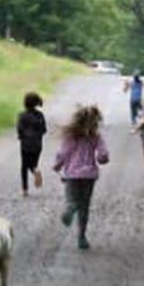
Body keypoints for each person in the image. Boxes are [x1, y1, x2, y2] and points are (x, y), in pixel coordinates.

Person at [52, 104, 110, 250]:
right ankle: (81, 238)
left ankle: (71, 207)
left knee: (71, 199)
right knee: (84, 206)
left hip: (72, 175)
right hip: (89, 176)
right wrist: (102, 159)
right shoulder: (96, 137)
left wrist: (58, 165)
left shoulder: (71, 137)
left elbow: (63, 153)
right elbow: (103, 155)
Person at [16, 91, 48, 196]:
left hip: (25, 144)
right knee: (33, 164)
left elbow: (20, 129)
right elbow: (44, 130)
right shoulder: (40, 115)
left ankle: (25, 190)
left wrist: (21, 137)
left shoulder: (22, 115)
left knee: (24, 166)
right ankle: (35, 170)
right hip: (37, 144)